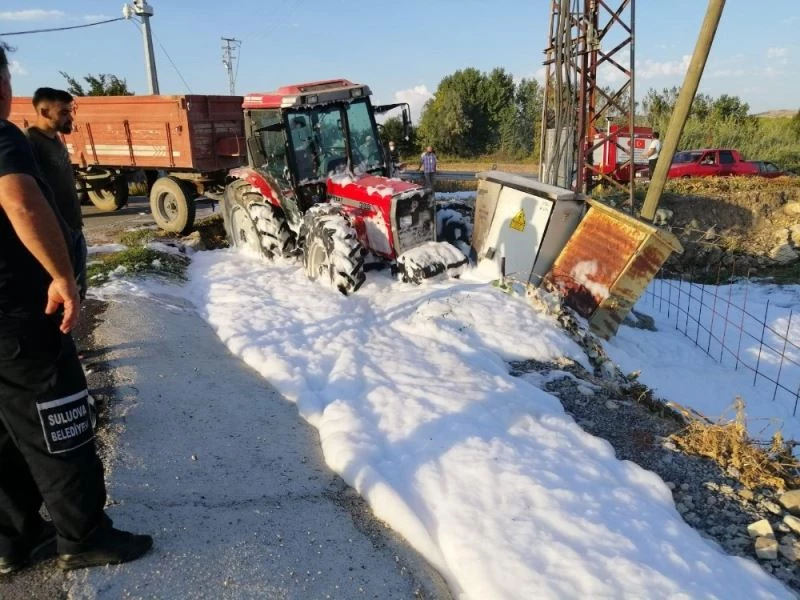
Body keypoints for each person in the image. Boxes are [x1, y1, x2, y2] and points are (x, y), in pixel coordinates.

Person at [0, 43, 152, 576]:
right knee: (60, 424)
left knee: (6, 429)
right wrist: (63, 277)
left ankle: (12, 540)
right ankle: (83, 537)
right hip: (17, 316)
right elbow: (19, 201)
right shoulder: (7, 138)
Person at [26, 87, 87, 300]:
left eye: (70, 111)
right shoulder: (30, 143)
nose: (70, 117)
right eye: (63, 112)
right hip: (56, 233)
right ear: (44, 112)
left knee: (77, 293)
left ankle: (68, 333)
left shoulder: (55, 139)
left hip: (73, 228)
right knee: (61, 295)